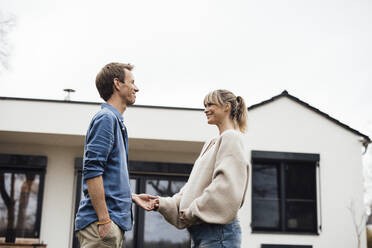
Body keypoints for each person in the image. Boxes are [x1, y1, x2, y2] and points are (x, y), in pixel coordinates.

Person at [154, 89, 249, 248]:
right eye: (205, 105)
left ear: (227, 107)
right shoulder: (211, 142)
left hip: (218, 234)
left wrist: (192, 211)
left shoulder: (231, 137)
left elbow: (224, 188)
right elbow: (191, 189)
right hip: (203, 233)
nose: (205, 110)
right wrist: (160, 203)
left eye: (210, 104)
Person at [75, 62, 156, 248]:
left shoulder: (116, 122)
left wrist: (131, 196)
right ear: (118, 84)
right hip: (101, 223)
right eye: (132, 82)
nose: (137, 88)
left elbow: (108, 174)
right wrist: (104, 220)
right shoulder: (106, 119)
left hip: (110, 223)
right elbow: (92, 171)